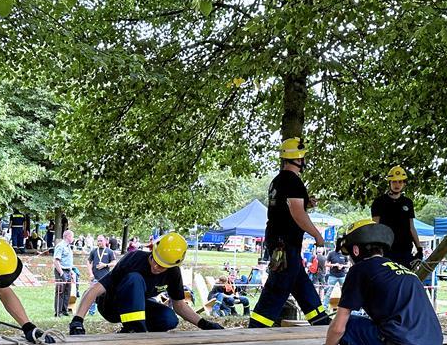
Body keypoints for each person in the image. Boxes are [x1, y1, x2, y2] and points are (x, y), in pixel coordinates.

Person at [307, 219, 447, 345]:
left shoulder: (360, 270)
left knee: (350, 325)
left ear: (356, 251)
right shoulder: (405, 271)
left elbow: (339, 326)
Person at [68, 232, 224, 334]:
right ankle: (136, 330)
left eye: (162, 266)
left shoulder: (173, 272)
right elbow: (95, 289)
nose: (156, 267)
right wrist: (78, 320)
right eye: (155, 260)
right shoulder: (134, 259)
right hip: (111, 306)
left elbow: (180, 305)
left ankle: (130, 331)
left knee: (169, 319)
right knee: (135, 279)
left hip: (138, 306)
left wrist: (204, 324)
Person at [248, 137, 330, 328]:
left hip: (280, 240)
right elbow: (297, 212)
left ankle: (321, 322)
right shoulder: (293, 181)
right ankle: (256, 330)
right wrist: (317, 235)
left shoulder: (278, 181)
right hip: (285, 243)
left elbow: (286, 209)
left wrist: (304, 203)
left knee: (300, 283)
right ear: (299, 159)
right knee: (278, 286)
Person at [370, 165, 423, 268]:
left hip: (405, 251)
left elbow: (411, 227)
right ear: (389, 183)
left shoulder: (408, 202)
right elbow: (375, 226)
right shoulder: (379, 202)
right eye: (394, 181)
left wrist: (419, 249)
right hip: (386, 250)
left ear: (404, 183)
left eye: (400, 181)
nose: (397, 184)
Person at [53, 229, 75, 316]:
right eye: (72, 236)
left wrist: (71, 271)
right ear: (68, 236)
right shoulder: (60, 246)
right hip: (61, 271)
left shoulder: (68, 247)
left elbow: (68, 261)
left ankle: (64, 310)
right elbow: (56, 261)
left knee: (67, 291)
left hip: (68, 271)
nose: (73, 238)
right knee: (60, 291)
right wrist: (61, 273)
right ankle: (58, 312)